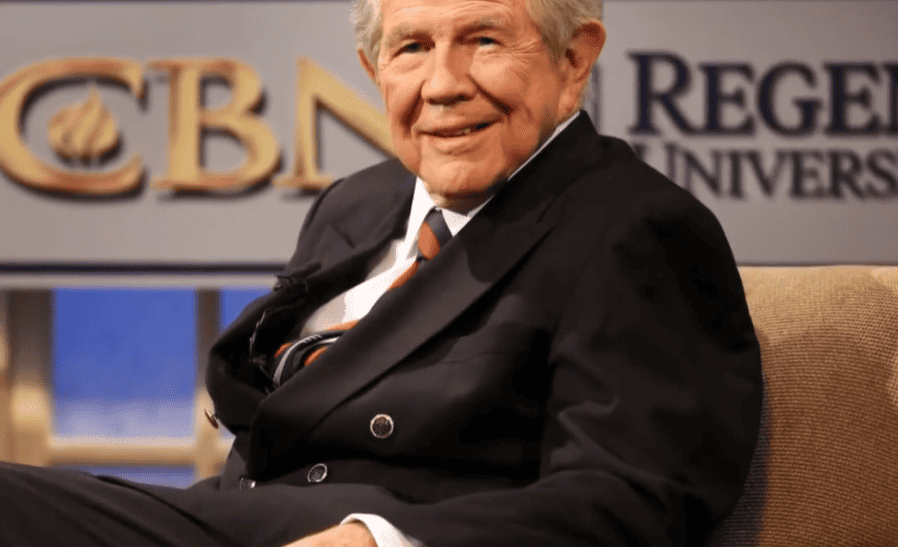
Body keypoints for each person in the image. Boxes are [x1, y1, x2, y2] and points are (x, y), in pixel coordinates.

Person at [0, 0, 763, 545]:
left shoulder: (635, 225)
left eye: (485, 39)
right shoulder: (358, 203)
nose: (443, 83)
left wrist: (384, 539)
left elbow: (633, 496)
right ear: (374, 70)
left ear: (574, 59)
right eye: (411, 48)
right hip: (235, 514)